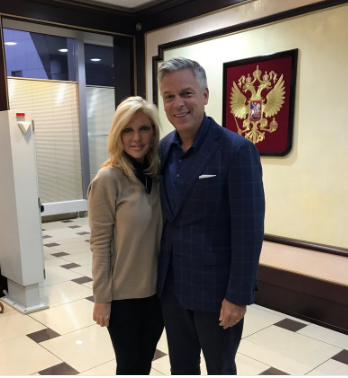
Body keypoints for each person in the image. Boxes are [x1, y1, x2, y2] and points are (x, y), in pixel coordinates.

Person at [157, 58, 265, 375]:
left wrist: (238, 297)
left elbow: (248, 231)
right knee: (181, 367)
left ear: (204, 95)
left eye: (186, 93)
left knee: (220, 368)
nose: (178, 103)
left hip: (216, 292)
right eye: (169, 96)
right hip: (172, 287)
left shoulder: (236, 150)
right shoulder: (164, 148)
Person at [88, 96, 164, 375]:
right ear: (117, 134)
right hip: (123, 297)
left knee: (144, 364)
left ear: (153, 133)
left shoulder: (157, 176)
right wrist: (102, 298)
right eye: (128, 130)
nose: (137, 138)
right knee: (130, 367)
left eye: (144, 128)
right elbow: (99, 244)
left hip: (157, 293)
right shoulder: (107, 179)